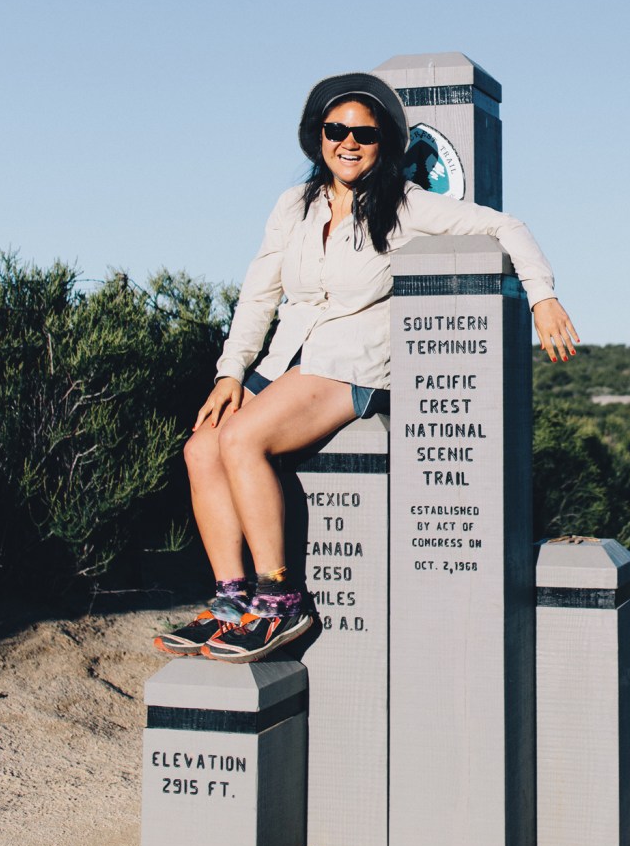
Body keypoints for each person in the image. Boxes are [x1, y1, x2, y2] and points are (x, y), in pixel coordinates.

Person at [154, 71, 578, 662]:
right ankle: (230, 601)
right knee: (201, 448)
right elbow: (259, 295)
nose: (348, 143)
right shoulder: (293, 205)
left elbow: (506, 226)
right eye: (336, 130)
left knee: (242, 442)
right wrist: (231, 371)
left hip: (351, 364)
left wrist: (542, 295)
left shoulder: (404, 205)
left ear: (384, 145)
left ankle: (280, 602)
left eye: (364, 133)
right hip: (286, 359)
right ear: (318, 136)